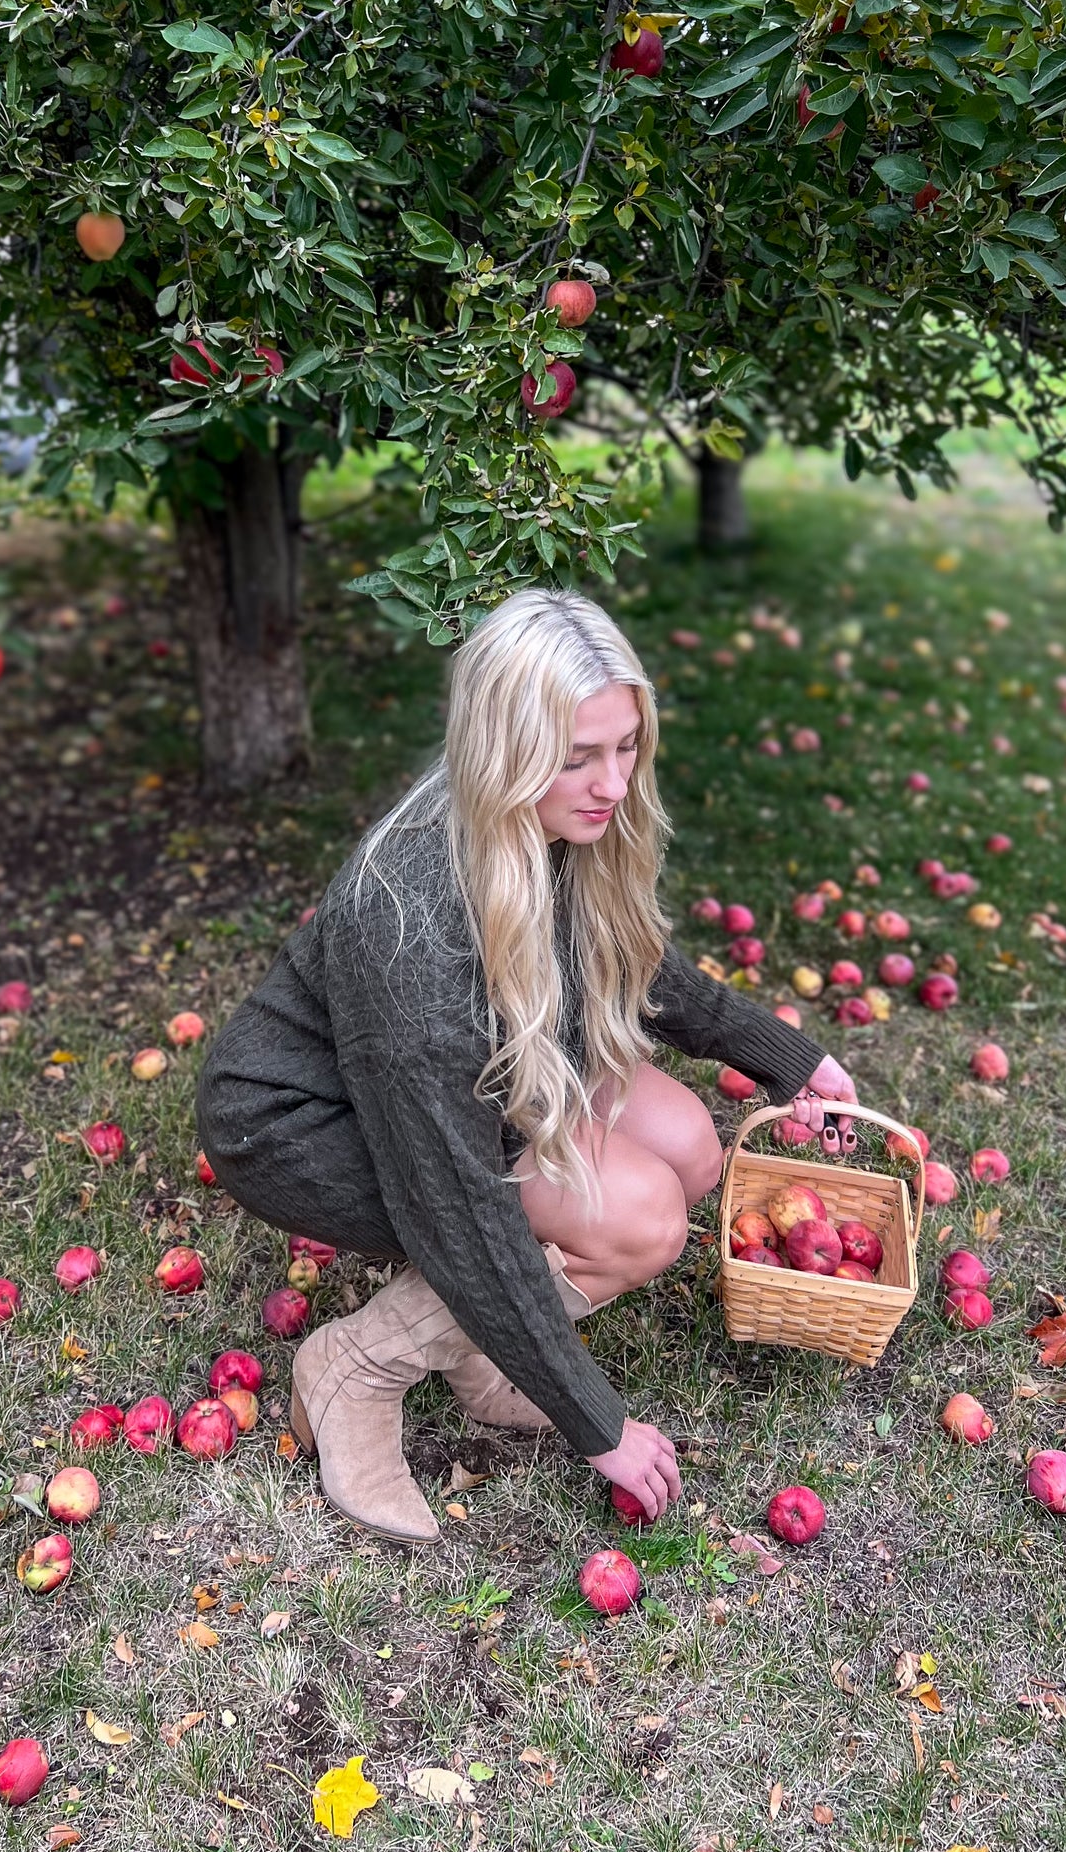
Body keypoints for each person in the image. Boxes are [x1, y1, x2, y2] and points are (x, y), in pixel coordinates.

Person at [196, 588, 857, 1544]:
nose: (611, 781)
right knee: (637, 1219)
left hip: (482, 1066)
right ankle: (356, 1367)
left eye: (625, 745)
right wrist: (596, 1422)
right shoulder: (409, 927)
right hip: (306, 1126)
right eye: (578, 756)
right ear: (504, 748)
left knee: (688, 1145)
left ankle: (474, 1350)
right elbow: (455, 1204)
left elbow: (625, 958)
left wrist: (790, 1060)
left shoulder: (547, 820)